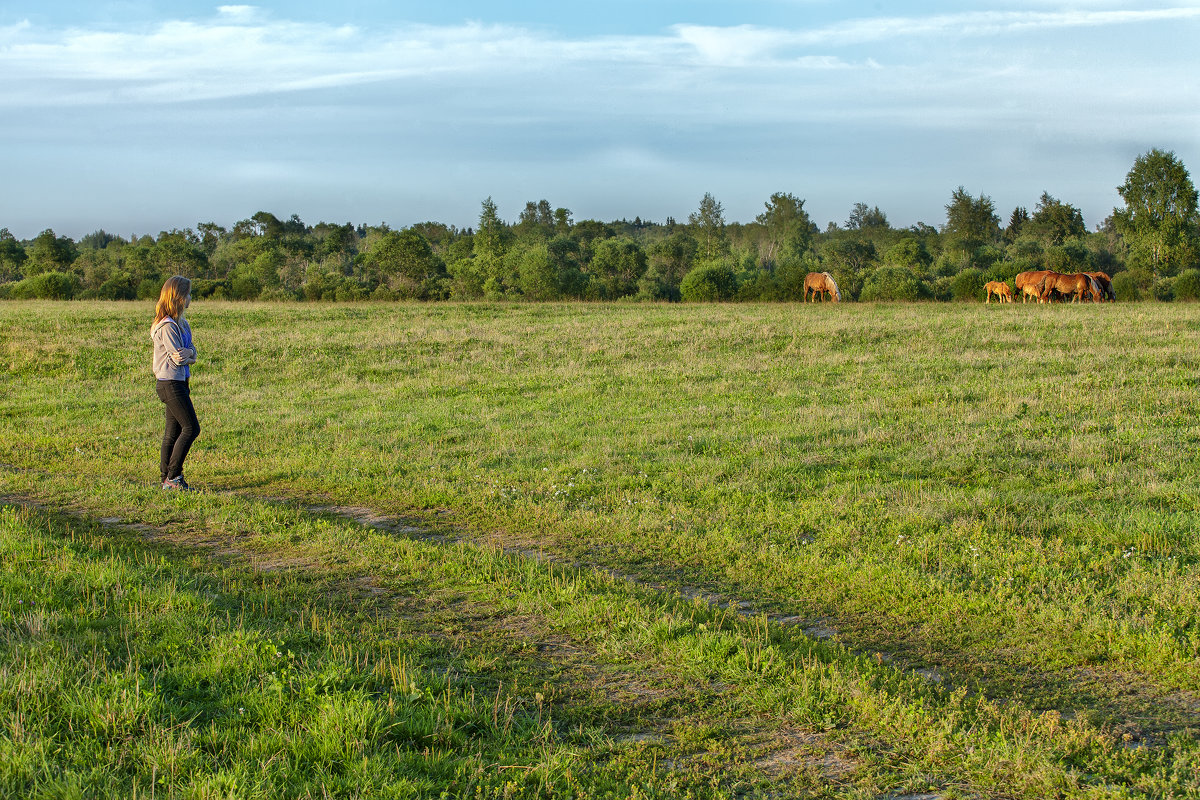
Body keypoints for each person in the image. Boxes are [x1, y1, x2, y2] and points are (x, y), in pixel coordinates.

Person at [151, 275, 200, 490]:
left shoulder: (182, 323)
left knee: (173, 431)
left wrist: (189, 354)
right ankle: (173, 476)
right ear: (179, 297)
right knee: (191, 428)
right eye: (188, 294)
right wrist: (190, 355)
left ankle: (166, 479)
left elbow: (192, 353)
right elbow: (180, 357)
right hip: (169, 382)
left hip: (180, 380)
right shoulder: (167, 326)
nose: (191, 298)